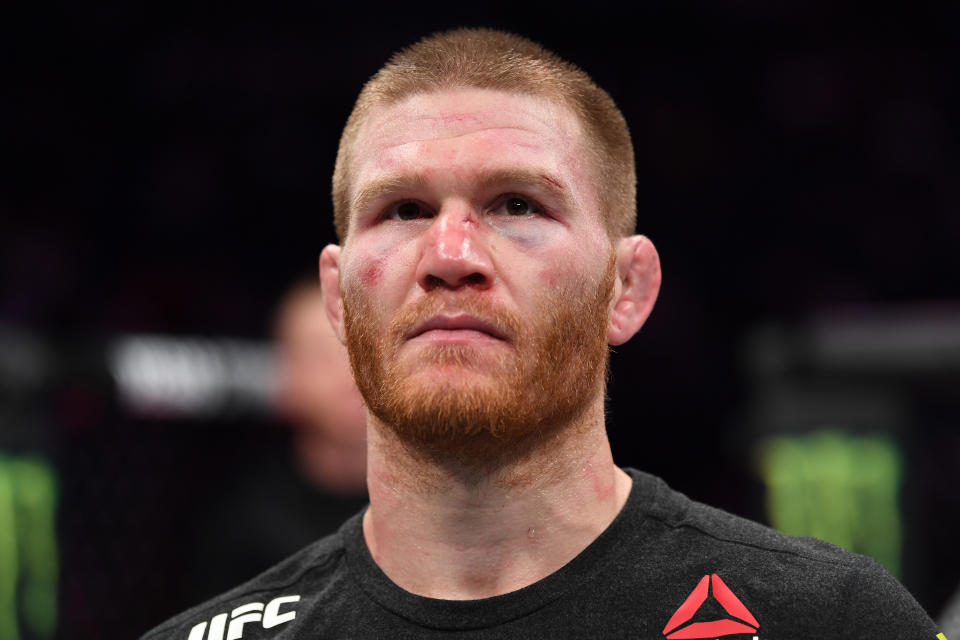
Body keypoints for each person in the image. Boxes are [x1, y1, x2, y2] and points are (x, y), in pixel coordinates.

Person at [143, 29, 943, 639]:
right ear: (339, 298)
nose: (451, 256)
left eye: (517, 205)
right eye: (404, 210)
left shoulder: (828, 619)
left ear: (625, 289)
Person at [185, 282, 367, 601]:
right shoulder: (244, 523)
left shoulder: (444, 510)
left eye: (362, 349)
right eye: (320, 356)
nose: (347, 373)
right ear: (285, 375)